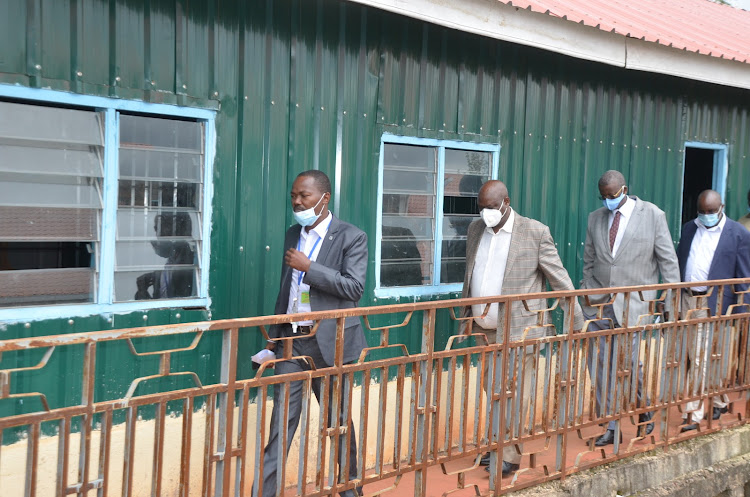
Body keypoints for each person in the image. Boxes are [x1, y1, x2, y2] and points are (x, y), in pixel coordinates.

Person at [254, 170, 367, 497]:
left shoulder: (351, 236)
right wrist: (273, 341)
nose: (297, 202)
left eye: (304, 196)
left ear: (324, 198)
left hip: (332, 343)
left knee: (338, 424)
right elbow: (285, 289)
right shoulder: (293, 234)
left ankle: (350, 491)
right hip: (292, 340)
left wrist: (310, 268)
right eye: (293, 196)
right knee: (280, 425)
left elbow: (354, 287)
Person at [461, 180, 583, 477]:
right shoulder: (476, 230)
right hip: (484, 327)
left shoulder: (534, 232)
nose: (486, 213)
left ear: (506, 202)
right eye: (482, 208)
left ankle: (509, 454)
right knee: (493, 389)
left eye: (491, 207)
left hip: (522, 328)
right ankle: (496, 445)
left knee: (516, 392)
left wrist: (576, 322)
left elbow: (560, 279)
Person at [581, 170, 680, 446]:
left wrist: (670, 303)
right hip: (600, 305)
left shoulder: (652, 215)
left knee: (627, 363)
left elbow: (668, 263)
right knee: (600, 364)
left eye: (611, 196)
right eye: (603, 197)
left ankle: (644, 408)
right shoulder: (595, 218)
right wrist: (587, 292)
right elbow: (589, 260)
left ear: (624, 189)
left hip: (635, 305)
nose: (607, 201)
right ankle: (612, 425)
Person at [675, 189, 750, 431]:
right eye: (702, 212)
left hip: (714, 303)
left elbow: (744, 275)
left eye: (710, 211)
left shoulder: (738, 234)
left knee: (699, 357)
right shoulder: (689, 228)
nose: (706, 216)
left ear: (721, 207)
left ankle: (693, 414)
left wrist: (742, 310)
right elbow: (680, 262)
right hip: (688, 300)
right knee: (697, 355)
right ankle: (719, 400)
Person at [135, 212, 195, 299]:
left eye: (157, 229)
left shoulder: (187, 263)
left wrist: (142, 292)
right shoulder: (174, 257)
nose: (157, 236)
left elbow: (175, 305)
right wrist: (157, 276)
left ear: (174, 231)